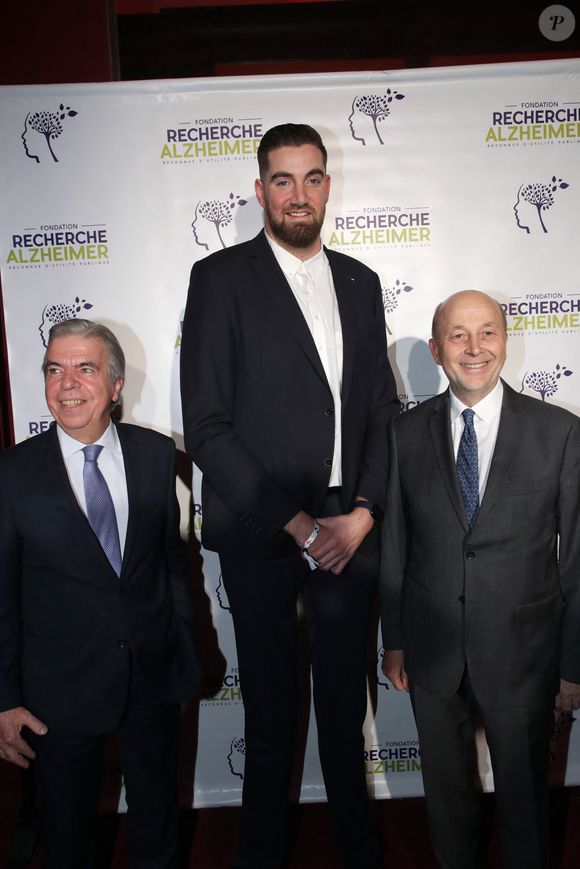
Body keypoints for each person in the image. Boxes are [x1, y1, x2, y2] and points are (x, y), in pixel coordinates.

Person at [180, 122, 399, 869]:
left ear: (328, 187)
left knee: (346, 716)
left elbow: (380, 411)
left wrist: (364, 512)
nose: (298, 194)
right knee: (273, 722)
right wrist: (302, 525)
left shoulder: (360, 282)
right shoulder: (220, 279)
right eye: (283, 180)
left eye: (312, 178)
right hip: (266, 531)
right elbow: (207, 428)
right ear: (260, 190)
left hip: (351, 527)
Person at [380, 290, 580, 869]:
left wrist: (573, 664)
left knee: (525, 810)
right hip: (431, 649)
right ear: (439, 350)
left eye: (487, 332)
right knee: (446, 804)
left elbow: (578, 562)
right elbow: (397, 546)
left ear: (505, 341)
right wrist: (395, 639)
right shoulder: (403, 433)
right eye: (459, 335)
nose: (475, 347)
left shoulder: (560, 434)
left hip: (527, 654)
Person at [0, 318, 200, 869]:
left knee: (158, 828)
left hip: (153, 679)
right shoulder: (12, 473)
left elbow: (170, 563)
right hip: (57, 693)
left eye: (84, 369)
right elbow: (2, 596)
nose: (67, 383)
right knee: (68, 840)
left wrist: (182, 642)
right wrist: (4, 697)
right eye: (54, 369)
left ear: (115, 386)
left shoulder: (158, 455)